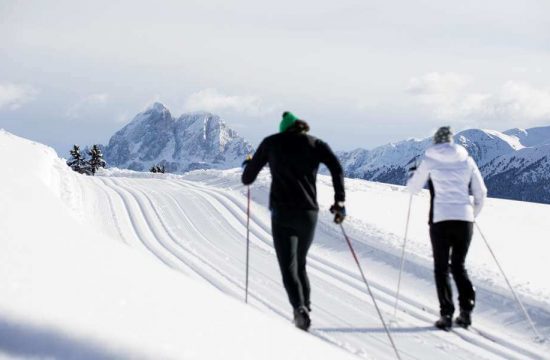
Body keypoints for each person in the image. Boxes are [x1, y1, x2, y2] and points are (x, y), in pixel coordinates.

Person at [242, 111, 346, 331]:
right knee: (300, 264)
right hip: (309, 213)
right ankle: (305, 307)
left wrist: (249, 164)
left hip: (283, 213)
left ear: (283, 129)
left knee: (288, 266)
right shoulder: (316, 143)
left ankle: (300, 309)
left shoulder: (271, 143)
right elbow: (337, 168)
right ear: (301, 127)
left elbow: (247, 178)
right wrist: (340, 202)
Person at [407, 126, 487, 331]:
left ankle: (447, 314)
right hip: (464, 220)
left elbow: (413, 188)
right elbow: (481, 192)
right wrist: (472, 214)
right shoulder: (466, 159)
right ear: (452, 141)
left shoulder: (430, 159)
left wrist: (414, 175)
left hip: (440, 220)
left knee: (441, 268)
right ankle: (466, 310)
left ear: (436, 141)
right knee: (459, 265)